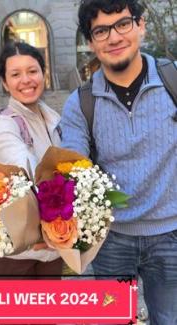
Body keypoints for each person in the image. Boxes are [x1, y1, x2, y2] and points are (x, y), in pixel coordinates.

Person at [60, 0, 177, 324]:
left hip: (171, 235)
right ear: (90, 41)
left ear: (140, 25)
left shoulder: (173, 82)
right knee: (114, 319)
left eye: (122, 24)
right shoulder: (80, 103)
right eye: (101, 30)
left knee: (169, 319)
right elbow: (72, 166)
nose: (113, 38)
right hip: (110, 239)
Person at [0, 41, 63, 277]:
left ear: (43, 74)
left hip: (51, 251)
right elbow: (31, 177)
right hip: (16, 255)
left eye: (32, 71)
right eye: (16, 74)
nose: (26, 80)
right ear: (5, 82)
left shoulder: (53, 119)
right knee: (18, 315)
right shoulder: (3, 125)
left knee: (49, 314)